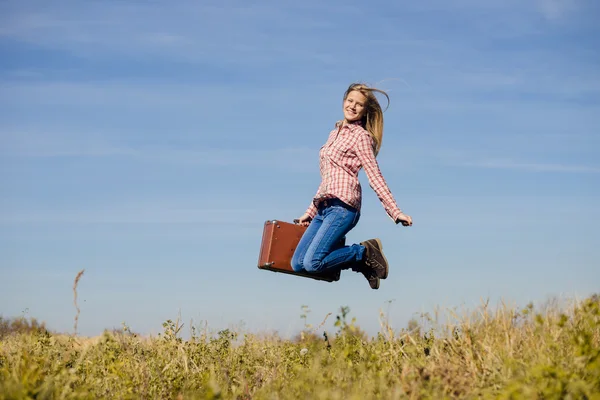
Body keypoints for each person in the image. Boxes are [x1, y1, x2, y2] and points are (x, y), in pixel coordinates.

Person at [291, 83, 413, 289]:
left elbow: (375, 176)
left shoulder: (361, 137)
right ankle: (362, 263)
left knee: (313, 263)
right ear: (343, 101)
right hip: (323, 208)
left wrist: (395, 211)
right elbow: (327, 179)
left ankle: (363, 252)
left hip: (343, 208)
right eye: (350, 101)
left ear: (365, 111)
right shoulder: (334, 133)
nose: (353, 107)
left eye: (359, 105)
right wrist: (309, 212)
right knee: (297, 264)